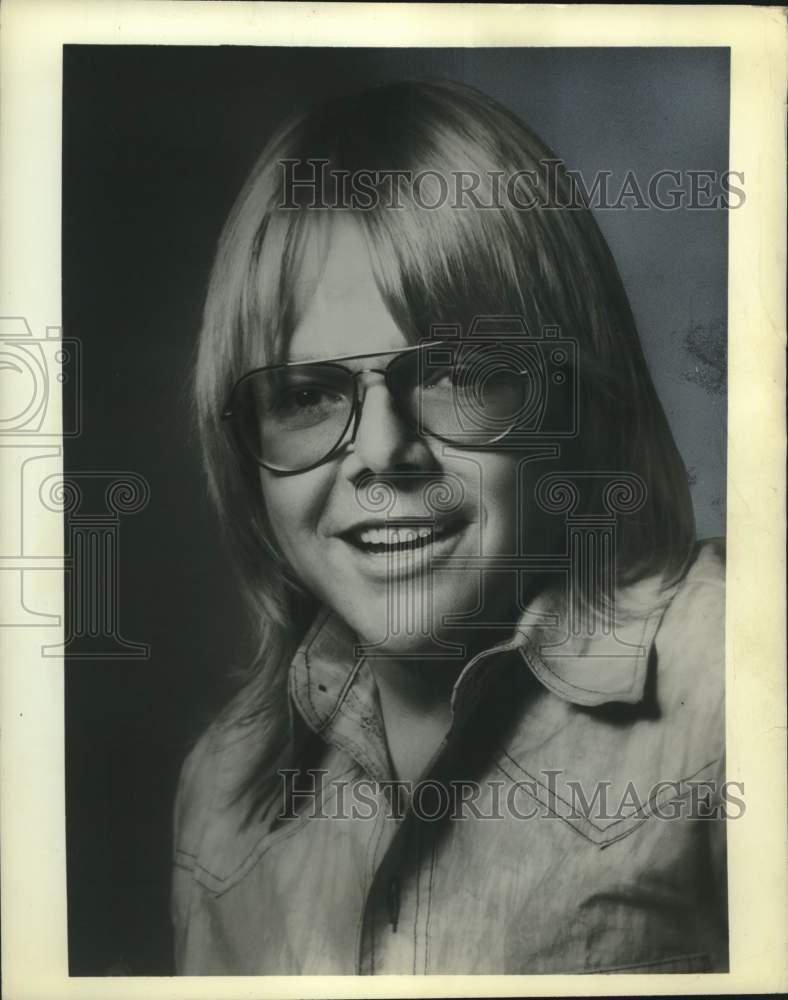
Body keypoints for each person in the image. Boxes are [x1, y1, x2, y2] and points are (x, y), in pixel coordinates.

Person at [172, 79, 727, 975]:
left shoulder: (727, 686)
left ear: (572, 401)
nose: (384, 453)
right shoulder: (223, 793)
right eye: (307, 395)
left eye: (457, 374)